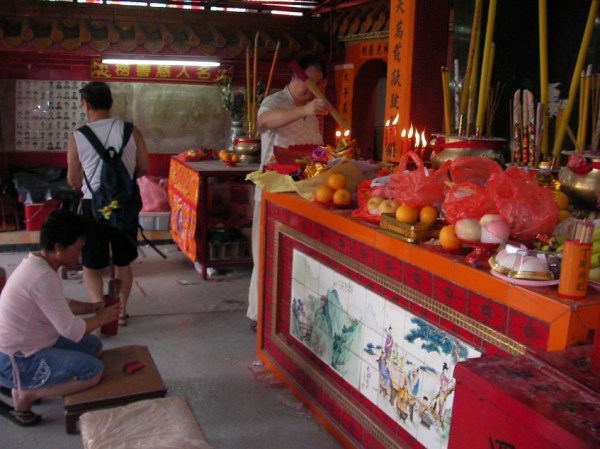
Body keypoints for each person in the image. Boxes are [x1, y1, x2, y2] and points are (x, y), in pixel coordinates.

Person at [0, 209, 121, 426]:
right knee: (92, 371)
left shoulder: (38, 263)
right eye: (77, 249)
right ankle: (28, 394)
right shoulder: (42, 276)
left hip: (29, 343)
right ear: (58, 248)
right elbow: (70, 330)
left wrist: (93, 307)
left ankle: (30, 386)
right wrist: (102, 318)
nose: (80, 256)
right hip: (17, 359)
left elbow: (63, 305)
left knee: (92, 345)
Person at [247, 55, 331, 330]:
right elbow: (265, 123)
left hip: (302, 194)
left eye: (318, 85)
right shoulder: (275, 101)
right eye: (308, 83)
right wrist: (305, 110)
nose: (311, 90)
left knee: (293, 259)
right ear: (295, 77)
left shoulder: (312, 110)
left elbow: (314, 148)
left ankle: (285, 316)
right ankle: (259, 315)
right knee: (265, 255)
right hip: (274, 192)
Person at [67, 81, 150, 326]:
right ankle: (121, 313)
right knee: (122, 263)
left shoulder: (78, 136)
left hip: (94, 208)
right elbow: (145, 168)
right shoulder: (131, 131)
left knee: (92, 266)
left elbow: (73, 180)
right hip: (125, 205)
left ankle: (102, 314)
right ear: (111, 104)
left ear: (86, 105)